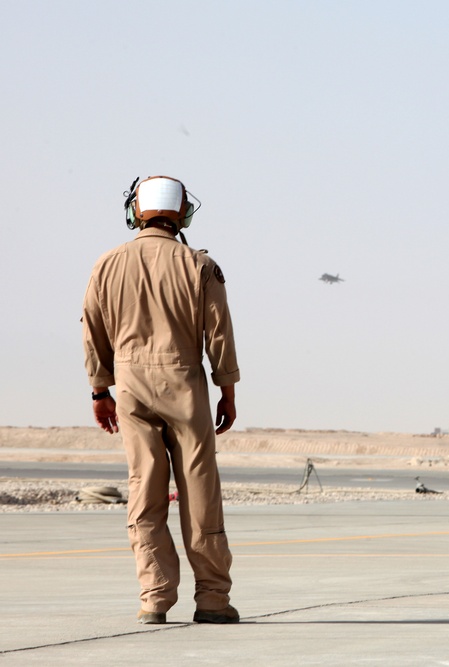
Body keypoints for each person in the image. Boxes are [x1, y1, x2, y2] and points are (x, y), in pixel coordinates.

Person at [82, 175, 241, 625]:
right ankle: (211, 599)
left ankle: (154, 597)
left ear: (137, 211)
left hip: (131, 386)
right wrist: (226, 391)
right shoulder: (200, 265)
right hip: (186, 384)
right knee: (200, 492)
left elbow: (91, 330)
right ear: (182, 212)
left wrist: (100, 389)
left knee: (144, 491)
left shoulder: (107, 264)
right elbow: (219, 334)